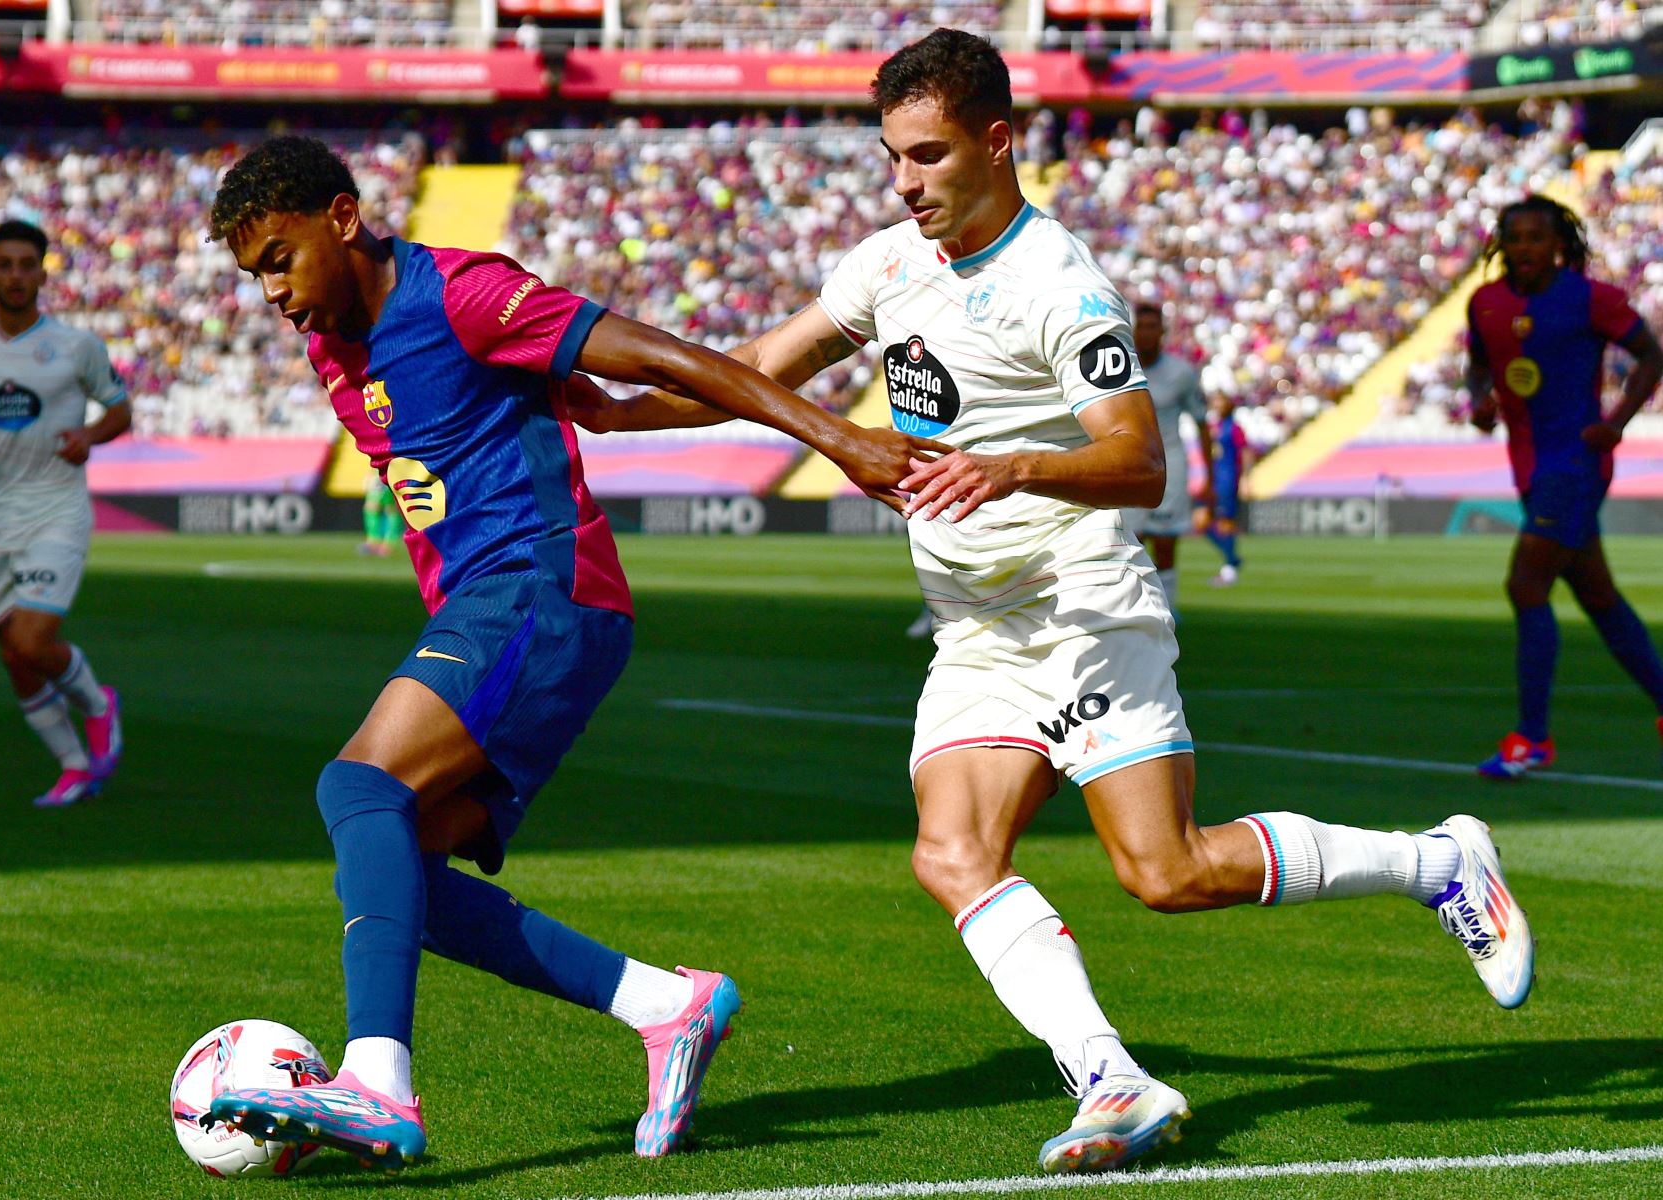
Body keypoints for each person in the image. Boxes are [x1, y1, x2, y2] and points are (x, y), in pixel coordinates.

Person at [571, 29, 1533, 1176]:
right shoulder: (886, 267)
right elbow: (759, 369)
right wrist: (621, 412)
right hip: (979, 630)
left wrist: (1012, 464)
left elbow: (1141, 464)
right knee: (953, 851)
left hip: (1082, 604)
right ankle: (1111, 1078)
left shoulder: (1062, 284)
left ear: (998, 140)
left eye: (926, 156)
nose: (906, 183)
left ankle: (1438, 863)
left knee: (1164, 873)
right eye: (892, 159)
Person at [199, 136, 940, 1172]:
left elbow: (662, 355)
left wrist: (836, 438)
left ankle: (377, 1081)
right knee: (406, 877)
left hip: (542, 588)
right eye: (253, 275)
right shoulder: (336, 349)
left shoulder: (463, 294)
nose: (272, 292)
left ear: (341, 217)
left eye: (279, 257)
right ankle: (667, 1006)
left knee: (357, 790)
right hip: (502, 605)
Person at [0, 220, 129, 807]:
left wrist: (90, 434)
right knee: (14, 656)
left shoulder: (76, 346)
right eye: (4, 264)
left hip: (58, 509)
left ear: (42, 273)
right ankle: (73, 766)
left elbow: (119, 409)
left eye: (25, 265)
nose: (15, 275)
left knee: (35, 640)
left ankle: (97, 704)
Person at [1466, 194, 1663, 778]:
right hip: (1528, 464)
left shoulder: (1590, 299)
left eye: (1536, 237)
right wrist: (1478, 398)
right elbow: (1479, 363)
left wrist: (1618, 420)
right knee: (1598, 597)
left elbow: (1651, 355)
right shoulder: (1485, 302)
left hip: (1577, 463)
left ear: (1559, 244)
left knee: (1526, 584)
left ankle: (1532, 740)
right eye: (1515, 237)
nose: (1524, 247)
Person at [1119, 302, 1210, 613]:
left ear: (1162, 331)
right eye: (1140, 327)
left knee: (1167, 544)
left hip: (1170, 464)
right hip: (1131, 464)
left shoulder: (1181, 372)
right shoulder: (1121, 365)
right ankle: (1139, 612)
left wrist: (1208, 476)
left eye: (1151, 326)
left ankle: (1168, 612)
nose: (1145, 333)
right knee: (1132, 543)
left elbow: (1201, 422)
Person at [1198, 392, 1249, 588]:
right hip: (1214, 481)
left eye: (1220, 400)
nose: (1216, 404)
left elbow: (1245, 452)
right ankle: (1233, 558)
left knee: (1226, 524)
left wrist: (1244, 477)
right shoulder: (1215, 428)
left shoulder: (1234, 428)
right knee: (1201, 523)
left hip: (1228, 482)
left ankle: (1229, 570)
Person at [359, 472, 403, 557]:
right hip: (380, 471)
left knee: (384, 508)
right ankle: (379, 542)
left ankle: (384, 544)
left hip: (387, 470)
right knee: (386, 508)